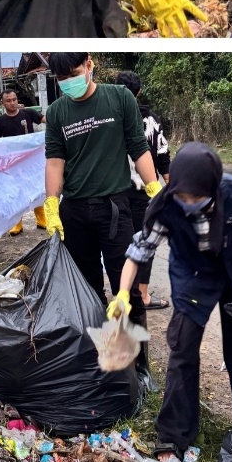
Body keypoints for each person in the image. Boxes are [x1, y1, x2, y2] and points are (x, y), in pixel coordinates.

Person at [109, 142, 232, 462]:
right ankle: (174, 434)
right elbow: (139, 251)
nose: (189, 203)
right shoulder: (166, 204)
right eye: (184, 197)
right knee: (183, 350)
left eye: (197, 197)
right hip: (193, 276)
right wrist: (122, 293)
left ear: (214, 187)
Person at [43, 52, 162, 329]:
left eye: (73, 73)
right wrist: (51, 204)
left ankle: (139, 364)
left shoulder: (120, 97)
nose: (69, 82)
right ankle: (100, 350)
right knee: (87, 286)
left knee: (127, 284)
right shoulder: (57, 112)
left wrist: (155, 188)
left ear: (89, 64)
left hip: (115, 209)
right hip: (74, 210)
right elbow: (54, 162)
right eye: (62, 78)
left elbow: (138, 147)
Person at [115, 70, 171, 310]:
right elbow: (162, 155)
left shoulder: (108, 118)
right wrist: (170, 186)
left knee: (119, 243)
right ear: (139, 92)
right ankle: (143, 295)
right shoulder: (151, 120)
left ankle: (123, 293)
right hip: (144, 192)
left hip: (114, 192)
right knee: (145, 242)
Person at [0, 88, 47, 235]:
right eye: (8, 101)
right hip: (13, 164)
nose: (12, 103)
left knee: (37, 188)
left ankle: (42, 219)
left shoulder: (28, 113)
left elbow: (45, 120)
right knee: (15, 193)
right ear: (2, 103)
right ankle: (17, 224)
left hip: (32, 161)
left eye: (14, 99)